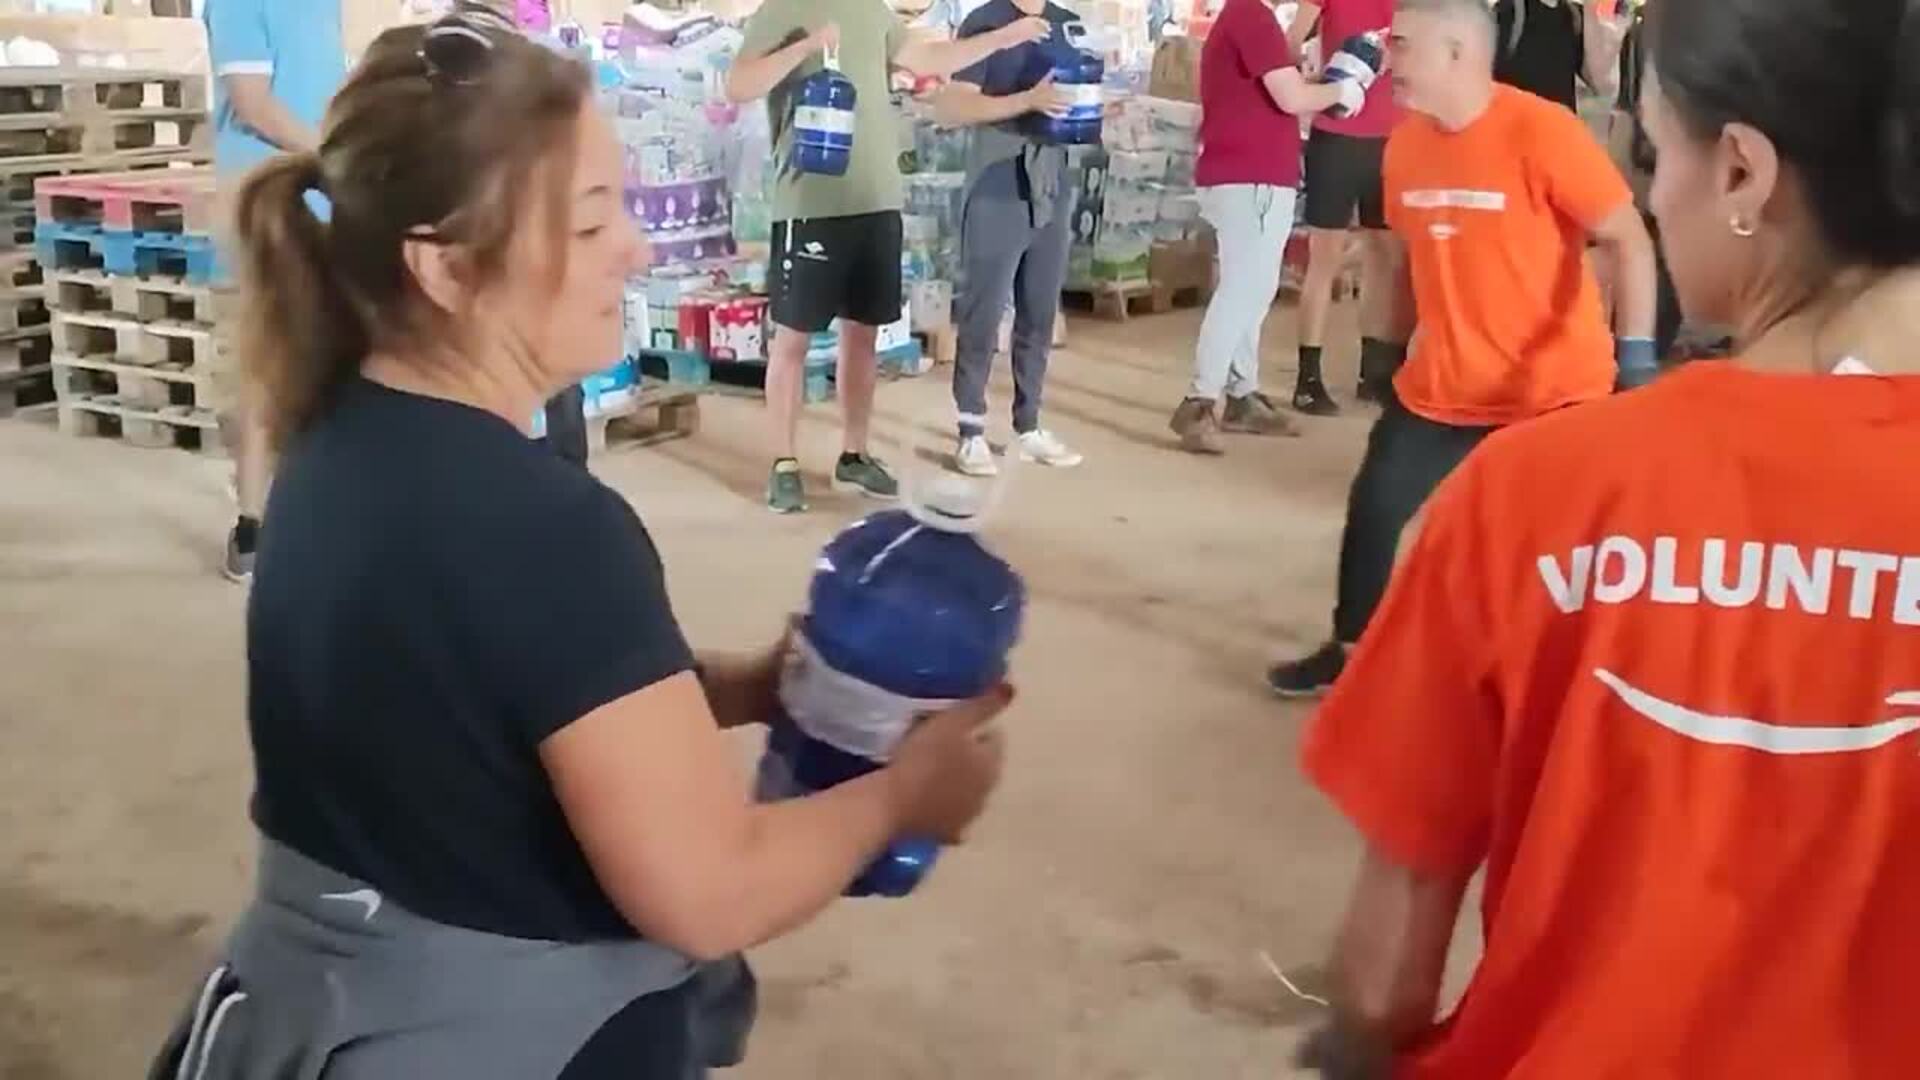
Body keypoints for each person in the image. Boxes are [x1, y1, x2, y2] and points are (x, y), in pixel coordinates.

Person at [146, 12, 1011, 1078]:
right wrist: (902, 796)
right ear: (446, 268)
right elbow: (712, 892)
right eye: (594, 221)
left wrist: (740, 688)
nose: (636, 248)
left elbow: (484, 713)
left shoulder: (333, 447)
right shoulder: (543, 529)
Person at [1296, 0, 1920, 1073]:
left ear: (1741, 172)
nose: (1650, 195)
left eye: (1657, 154)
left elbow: (1386, 977)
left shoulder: (1537, 493)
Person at [1265, 0, 1657, 696]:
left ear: (1457, 52)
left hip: (1552, 391)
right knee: (1376, 507)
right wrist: (1387, 354)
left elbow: (1629, 239)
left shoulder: (1543, 131)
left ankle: (1573, 676)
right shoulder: (1405, 147)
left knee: (1554, 549)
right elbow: (1409, 261)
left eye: (1402, 45)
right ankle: (1352, 647)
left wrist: (1636, 360)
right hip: (1444, 385)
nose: (1387, 60)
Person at [727, 0, 1051, 513]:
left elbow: (928, 58)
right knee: (792, 340)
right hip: (810, 203)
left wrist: (1002, 39)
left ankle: (854, 454)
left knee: (863, 335)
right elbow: (738, 85)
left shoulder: (871, 10)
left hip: (877, 201)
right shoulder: (782, 9)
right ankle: (783, 463)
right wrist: (805, 46)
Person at [1168, 0, 1357, 454]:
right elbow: (1291, 98)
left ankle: (1242, 393)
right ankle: (1200, 400)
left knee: (1254, 289)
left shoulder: (1249, 17)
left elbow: (1282, 91)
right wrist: (1341, 90)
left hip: (1255, 174)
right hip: (1250, 175)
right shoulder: (1251, 16)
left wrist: (1324, 86)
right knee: (1243, 290)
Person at [203, 0, 345, 581]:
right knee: (264, 366)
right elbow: (252, 102)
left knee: (325, 365)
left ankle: (317, 511)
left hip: (324, 199)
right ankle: (253, 526)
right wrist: (333, 157)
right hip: (264, 204)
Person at [934, 0, 1085, 477]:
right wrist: (1026, 102)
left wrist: (1095, 109)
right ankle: (971, 429)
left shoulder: (1066, 24)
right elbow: (952, 106)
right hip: (997, 180)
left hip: (1053, 178)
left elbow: (1074, 95)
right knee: (984, 307)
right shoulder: (986, 22)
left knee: (1040, 309)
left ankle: (1029, 424)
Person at [1286, 0, 1402, 415]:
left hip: (1394, 137)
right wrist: (1320, 82)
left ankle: (1374, 372)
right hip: (1337, 134)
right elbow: (1290, 42)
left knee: (1384, 258)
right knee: (1325, 258)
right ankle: (1308, 378)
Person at [1490, 0, 1621, 112]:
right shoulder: (1507, 13)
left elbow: (1602, 84)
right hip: (1516, 128)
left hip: (1559, 130)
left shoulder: (1573, 16)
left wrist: (1591, 11)